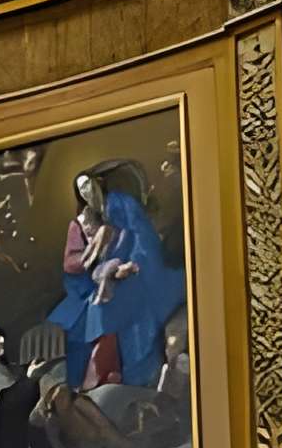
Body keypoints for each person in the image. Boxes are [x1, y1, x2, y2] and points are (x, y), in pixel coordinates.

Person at [48, 165, 186, 394]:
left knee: (119, 305)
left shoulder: (116, 205)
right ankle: (101, 376)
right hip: (92, 282)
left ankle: (129, 372)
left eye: (88, 187)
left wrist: (121, 264)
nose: (86, 193)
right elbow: (73, 263)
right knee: (96, 311)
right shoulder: (81, 223)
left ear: (98, 184)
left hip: (132, 269)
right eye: (81, 190)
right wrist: (95, 261)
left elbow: (136, 239)